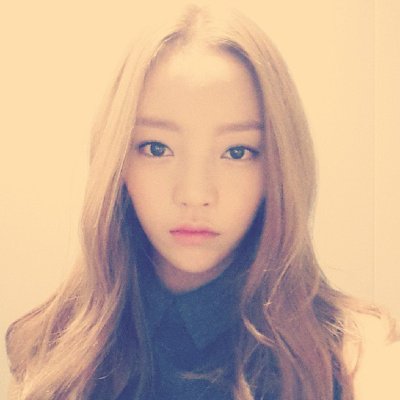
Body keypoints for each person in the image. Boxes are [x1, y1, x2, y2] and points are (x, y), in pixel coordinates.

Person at [6, 3, 399, 400]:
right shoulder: (49, 346)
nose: (195, 195)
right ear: (118, 162)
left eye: (237, 152)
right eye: (157, 148)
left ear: (278, 167)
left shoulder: (352, 358)